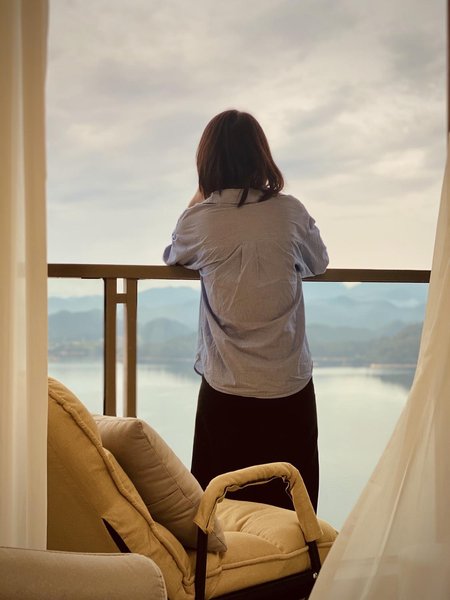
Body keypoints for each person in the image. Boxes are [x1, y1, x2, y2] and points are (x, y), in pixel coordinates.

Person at [163, 109, 329, 511]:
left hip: (226, 392)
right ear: (261, 156)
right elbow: (319, 262)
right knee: (295, 514)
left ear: (206, 161)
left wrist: (203, 193)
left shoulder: (198, 221)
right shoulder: (290, 212)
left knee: (219, 514)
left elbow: (174, 255)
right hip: (289, 389)